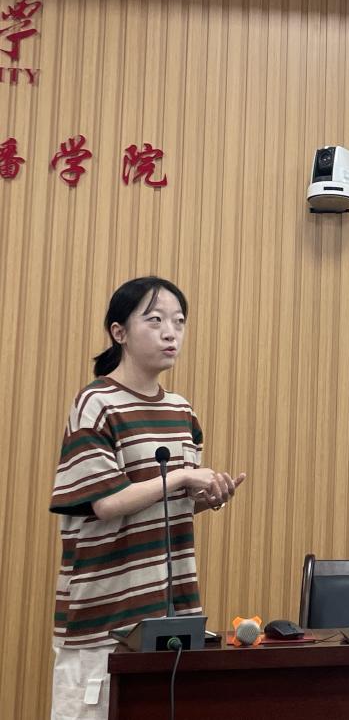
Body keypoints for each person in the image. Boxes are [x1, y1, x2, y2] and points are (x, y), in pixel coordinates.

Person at [48, 277, 247, 719]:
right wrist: (181, 477)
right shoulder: (95, 403)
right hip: (104, 619)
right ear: (119, 332)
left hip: (168, 616)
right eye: (155, 320)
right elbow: (105, 502)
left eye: (179, 322)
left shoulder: (182, 410)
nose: (170, 333)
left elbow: (167, 502)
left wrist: (208, 496)